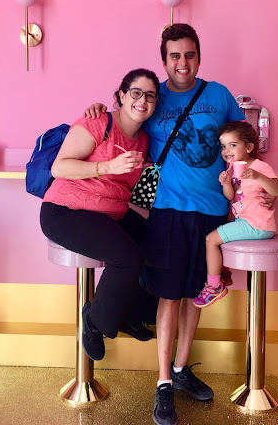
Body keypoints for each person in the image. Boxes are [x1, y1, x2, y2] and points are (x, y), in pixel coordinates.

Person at [85, 24, 246, 425]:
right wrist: (96, 112)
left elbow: (244, 139)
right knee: (169, 296)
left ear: (199, 57)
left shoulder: (219, 95)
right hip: (167, 210)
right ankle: (162, 384)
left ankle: (181, 368)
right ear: (164, 61)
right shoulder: (152, 97)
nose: (183, 63)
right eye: (175, 56)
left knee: (196, 293)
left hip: (212, 212)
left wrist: (250, 180)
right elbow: (124, 118)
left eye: (190, 54)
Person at [40, 68, 160, 362]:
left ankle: (128, 314)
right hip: (66, 211)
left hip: (109, 214)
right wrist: (106, 167)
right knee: (127, 258)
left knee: (159, 239)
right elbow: (59, 168)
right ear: (121, 95)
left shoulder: (143, 141)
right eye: (135, 92)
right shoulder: (97, 122)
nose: (142, 100)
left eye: (150, 96)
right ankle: (94, 320)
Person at [193, 120, 278, 308]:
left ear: (249, 147)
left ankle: (214, 285)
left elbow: (276, 190)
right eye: (223, 146)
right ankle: (221, 271)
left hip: (257, 224)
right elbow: (231, 196)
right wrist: (225, 183)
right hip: (248, 223)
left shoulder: (259, 166)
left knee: (211, 239)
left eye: (233, 145)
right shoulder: (231, 170)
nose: (227, 151)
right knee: (216, 237)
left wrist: (257, 176)